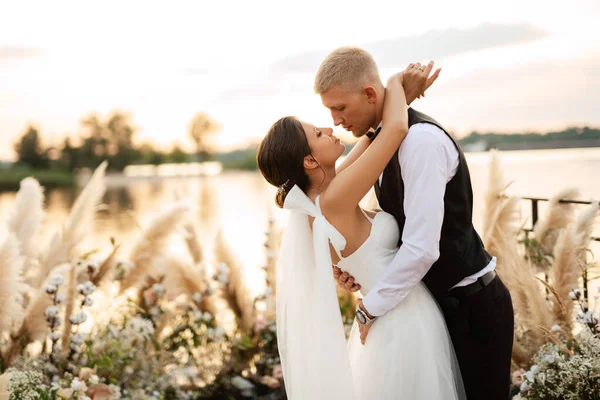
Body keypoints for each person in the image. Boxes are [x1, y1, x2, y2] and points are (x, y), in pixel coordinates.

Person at [257, 62, 465, 399]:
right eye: (318, 133)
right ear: (309, 161)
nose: (330, 127)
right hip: (402, 319)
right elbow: (395, 130)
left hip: (391, 315)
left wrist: (383, 109)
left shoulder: (324, 198)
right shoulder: (334, 199)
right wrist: (396, 85)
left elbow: (372, 139)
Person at [317, 47, 514, 399]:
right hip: (429, 310)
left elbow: (422, 248)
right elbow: (386, 226)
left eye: (340, 107)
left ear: (370, 94)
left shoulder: (421, 142)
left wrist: (369, 308)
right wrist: (360, 269)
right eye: (329, 111)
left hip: (471, 309)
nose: (334, 121)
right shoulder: (384, 141)